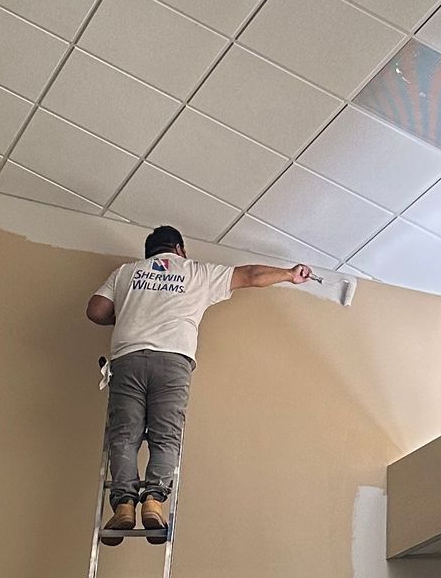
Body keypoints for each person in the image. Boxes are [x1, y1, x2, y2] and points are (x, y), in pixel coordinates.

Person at [86, 226, 313, 542]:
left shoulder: (126, 272)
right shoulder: (196, 272)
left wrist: (129, 312)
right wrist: (290, 274)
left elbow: (95, 310)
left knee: (125, 434)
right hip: (173, 361)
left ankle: (123, 505)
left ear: (149, 251)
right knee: (166, 436)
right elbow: (250, 274)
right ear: (179, 249)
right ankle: (153, 501)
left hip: (128, 358)